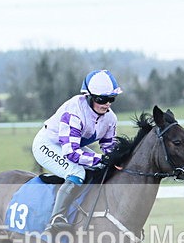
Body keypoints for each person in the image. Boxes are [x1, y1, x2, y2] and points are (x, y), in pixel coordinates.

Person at [31, 69, 122, 232]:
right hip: (47, 144)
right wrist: (100, 159)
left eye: (111, 99)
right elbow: (71, 153)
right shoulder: (74, 111)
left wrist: (118, 160)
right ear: (90, 97)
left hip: (71, 146)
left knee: (103, 168)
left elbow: (109, 149)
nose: (107, 104)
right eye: (102, 99)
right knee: (77, 172)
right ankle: (56, 218)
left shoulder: (110, 118)